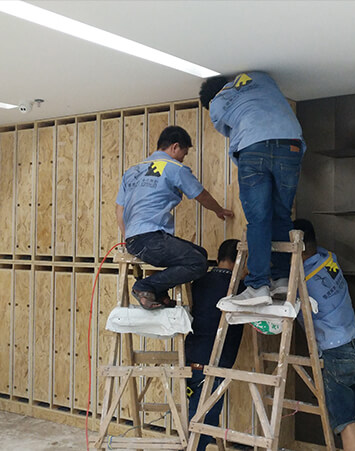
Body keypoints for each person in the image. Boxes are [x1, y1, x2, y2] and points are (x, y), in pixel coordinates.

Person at [199, 71, 305, 306]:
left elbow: (232, 131)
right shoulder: (261, 78)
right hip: (291, 145)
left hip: (254, 147)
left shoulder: (217, 102)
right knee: (282, 214)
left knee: (259, 220)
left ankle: (258, 285)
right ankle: (282, 279)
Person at [116, 125, 233, 309]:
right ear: (175, 146)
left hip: (134, 240)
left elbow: (119, 209)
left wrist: (128, 239)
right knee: (198, 263)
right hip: (151, 239)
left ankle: (158, 292)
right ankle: (145, 286)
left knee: (200, 253)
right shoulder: (173, 167)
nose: (182, 158)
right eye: (183, 154)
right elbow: (200, 194)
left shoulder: (132, 171)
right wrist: (219, 210)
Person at [293, 218, 355, 451]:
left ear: (298, 247)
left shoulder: (303, 281)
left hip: (334, 355)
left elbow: (291, 306)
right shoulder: (329, 259)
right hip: (354, 349)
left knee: (346, 424)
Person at [185, 239, 245, 451]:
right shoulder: (238, 288)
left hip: (192, 358)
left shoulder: (199, 281)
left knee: (196, 418)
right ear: (240, 260)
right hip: (213, 363)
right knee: (201, 428)